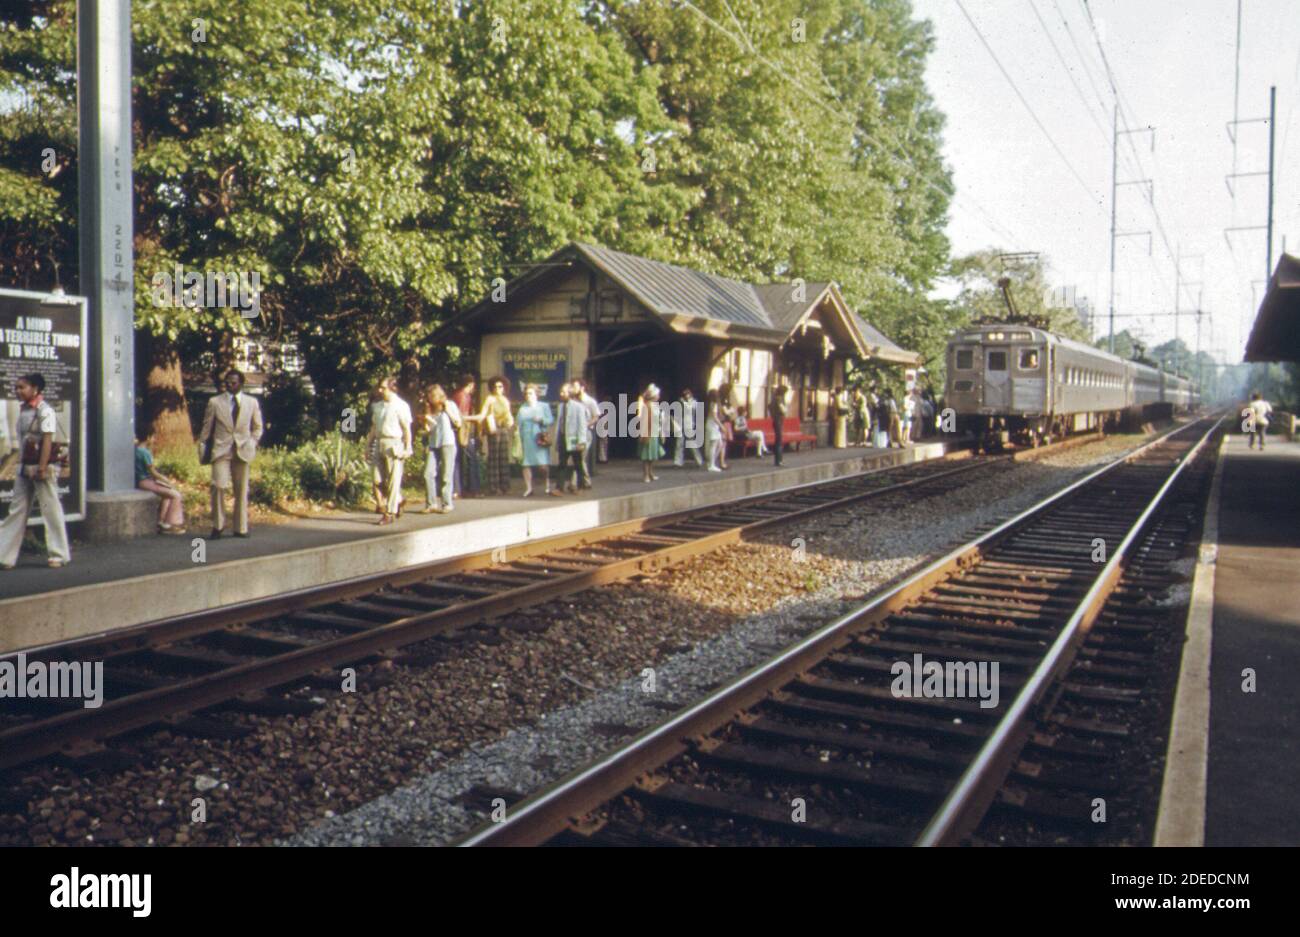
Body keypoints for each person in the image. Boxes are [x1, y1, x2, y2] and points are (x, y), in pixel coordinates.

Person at [0, 373, 71, 569]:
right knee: (16, 510)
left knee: (50, 508)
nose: (17, 391)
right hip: (24, 467)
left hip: (42, 468)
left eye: (22, 387)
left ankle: (58, 554)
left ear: (35, 389)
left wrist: (42, 467)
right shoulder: (23, 410)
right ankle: (4, 556)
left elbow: (48, 438)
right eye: (16, 387)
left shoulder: (45, 410)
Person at [199, 369, 264, 538]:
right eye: (227, 382)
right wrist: (203, 446)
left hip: (243, 450)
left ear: (241, 384)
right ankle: (218, 525)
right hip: (221, 450)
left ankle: (240, 527)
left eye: (233, 382)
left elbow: (258, 427)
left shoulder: (252, 403)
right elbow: (207, 428)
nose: (229, 385)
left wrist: (252, 442)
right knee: (218, 485)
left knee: (241, 489)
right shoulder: (215, 402)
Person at [366, 377, 412, 525]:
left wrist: (408, 446)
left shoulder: (401, 406)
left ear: (393, 388)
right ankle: (398, 500)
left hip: (394, 443)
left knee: (393, 480)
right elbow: (373, 428)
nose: (380, 390)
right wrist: (367, 445)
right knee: (377, 479)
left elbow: (406, 429)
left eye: (383, 388)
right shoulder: (378, 406)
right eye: (379, 387)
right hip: (379, 442)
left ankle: (389, 513)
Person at [468, 377, 514, 495]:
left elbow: (509, 415)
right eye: (495, 386)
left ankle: (505, 486)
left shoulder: (505, 400)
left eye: (500, 386)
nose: (498, 389)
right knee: (494, 458)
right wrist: (466, 418)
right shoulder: (490, 399)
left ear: (504, 388)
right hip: (493, 429)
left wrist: (510, 422)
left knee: (503, 458)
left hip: (503, 429)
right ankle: (494, 486)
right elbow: (482, 415)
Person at [421, 384, 460, 513]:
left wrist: (447, 410)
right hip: (433, 443)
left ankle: (447, 503)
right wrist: (426, 422)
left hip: (447, 442)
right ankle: (431, 503)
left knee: (446, 474)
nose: (429, 399)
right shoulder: (430, 408)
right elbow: (429, 430)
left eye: (431, 396)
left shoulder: (449, 405)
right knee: (428, 473)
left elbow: (458, 423)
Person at [135, 434, 186, 533]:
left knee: (166, 496)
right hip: (145, 481)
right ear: (149, 437)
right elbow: (153, 472)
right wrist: (167, 481)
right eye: (153, 437)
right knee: (176, 495)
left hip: (140, 481)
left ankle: (162, 521)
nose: (154, 439)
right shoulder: (145, 453)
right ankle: (171, 524)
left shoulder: (135, 450)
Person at [516, 383, 555, 496]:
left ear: (536, 394)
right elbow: (518, 422)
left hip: (539, 437)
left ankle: (547, 485)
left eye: (531, 393)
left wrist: (541, 420)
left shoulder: (543, 406)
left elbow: (550, 420)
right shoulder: (522, 408)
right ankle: (529, 488)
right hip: (526, 438)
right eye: (527, 393)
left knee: (543, 464)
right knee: (526, 464)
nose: (528, 395)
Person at [451, 374, 483, 498]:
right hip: (463, 431)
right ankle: (473, 489)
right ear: (470, 384)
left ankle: (457, 489)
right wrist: (476, 417)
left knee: (457, 459)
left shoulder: (456, 395)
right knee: (472, 458)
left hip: (457, 430)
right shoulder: (464, 397)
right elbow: (461, 416)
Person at [560, 380, 590, 491]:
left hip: (574, 439)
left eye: (563, 392)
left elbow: (582, 425)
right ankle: (559, 487)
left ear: (570, 393)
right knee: (562, 463)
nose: (561, 394)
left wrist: (581, 441)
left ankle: (581, 485)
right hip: (564, 438)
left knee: (578, 463)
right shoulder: (561, 406)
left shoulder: (578, 407)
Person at [636, 383, 665, 482]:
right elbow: (644, 421)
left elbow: (659, 420)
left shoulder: (656, 406)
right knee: (646, 455)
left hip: (655, 432)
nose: (659, 396)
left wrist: (661, 432)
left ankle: (651, 472)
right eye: (657, 394)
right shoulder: (646, 406)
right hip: (648, 432)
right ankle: (646, 474)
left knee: (652, 455)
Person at [573, 379, 600, 481]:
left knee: (580, 457)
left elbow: (596, 416)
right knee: (577, 458)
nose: (573, 389)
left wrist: (587, 425)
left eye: (575, 387)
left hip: (586, 433)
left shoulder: (590, 401)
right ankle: (586, 480)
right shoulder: (574, 402)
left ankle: (574, 482)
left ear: (582, 388)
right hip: (574, 433)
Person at [673, 388, 704, 467]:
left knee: (692, 444)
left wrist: (684, 402)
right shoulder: (681, 402)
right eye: (685, 394)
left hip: (689, 425)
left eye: (688, 394)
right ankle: (678, 461)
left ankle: (699, 461)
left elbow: (690, 409)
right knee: (679, 444)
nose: (686, 396)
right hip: (681, 425)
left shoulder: (694, 402)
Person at [770, 381, 791, 467]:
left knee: (777, 440)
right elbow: (783, 410)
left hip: (776, 420)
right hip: (778, 420)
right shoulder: (779, 399)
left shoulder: (774, 398)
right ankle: (779, 460)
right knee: (779, 440)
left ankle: (777, 460)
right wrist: (786, 410)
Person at [704, 388, 725, 472]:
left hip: (712, 425)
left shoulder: (712, 404)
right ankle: (711, 465)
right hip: (713, 425)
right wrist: (722, 426)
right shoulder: (714, 404)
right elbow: (715, 417)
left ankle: (711, 462)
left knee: (719, 444)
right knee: (714, 445)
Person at [718, 383, 735, 469]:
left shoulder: (721, 399)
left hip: (724, 422)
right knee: (723, 443)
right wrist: (731, 410)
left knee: (723, 443)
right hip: (724, 422)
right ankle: (722, 462)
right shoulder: (724, 400)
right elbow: (726, 412)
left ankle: (722, 461)